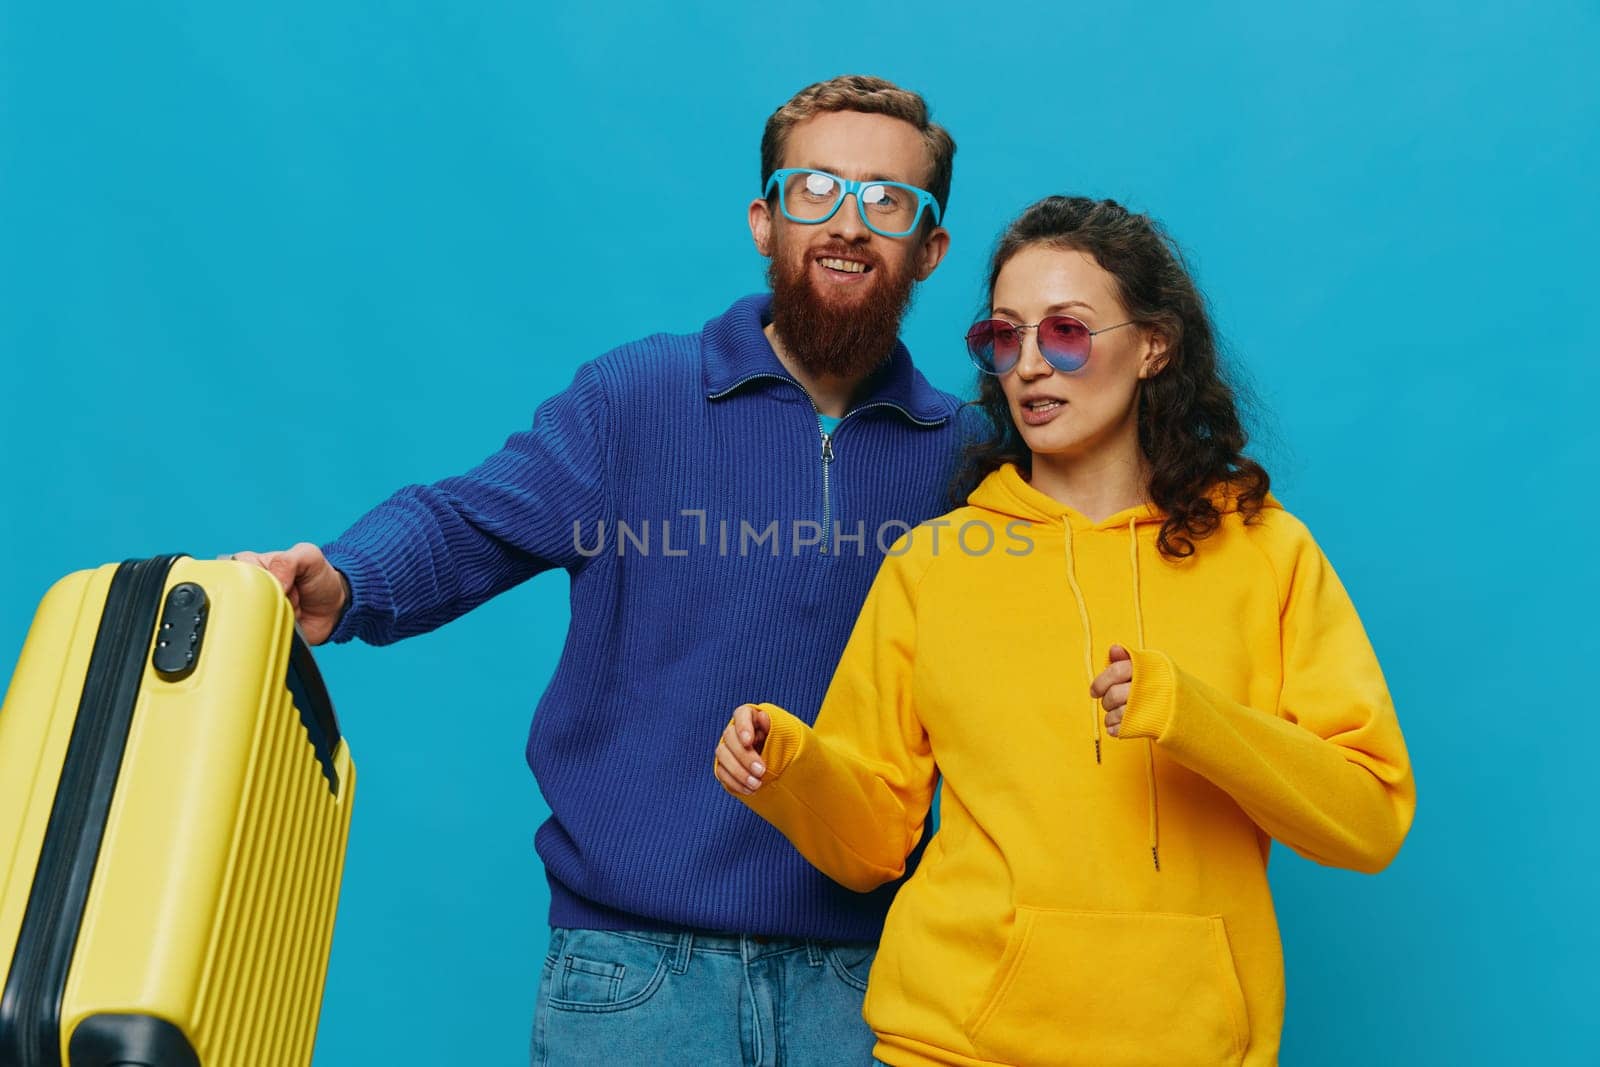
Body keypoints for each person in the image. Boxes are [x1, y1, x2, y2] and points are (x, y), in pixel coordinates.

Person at [230, 75, 968, 1066]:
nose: (845, 222)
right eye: (813, 190)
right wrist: (349, 576)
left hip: (876, 980)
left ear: (929, 247)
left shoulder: (968, 461)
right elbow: (472, 517)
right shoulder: (638, 398)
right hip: (635, 977)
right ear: (763, 221)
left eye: (886, 199)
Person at [715, 195, 1416, 1067]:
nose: (1033, 367)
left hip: (1190, 1046)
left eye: (1069, 333)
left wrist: (1193, 716)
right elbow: (871, 845)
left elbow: (1370, 816)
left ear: (1153, 345)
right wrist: (789, 766)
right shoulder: (938, 562)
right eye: (1005, 339)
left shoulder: (1265, 549)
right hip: (955, 1044)